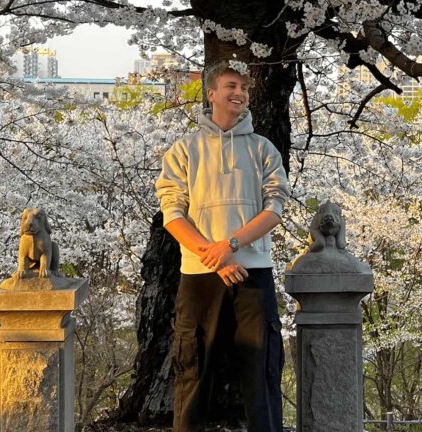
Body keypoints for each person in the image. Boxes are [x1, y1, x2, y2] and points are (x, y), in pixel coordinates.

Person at [155, 60, 289, 432]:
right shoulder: (184, 150)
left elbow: (274, 208)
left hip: (254, 273)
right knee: (193, 372)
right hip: (199, 276)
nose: (239, 93)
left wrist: (230, 245)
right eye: (231, 86)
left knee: (262, 375)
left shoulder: (263, 149)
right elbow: (173, 214)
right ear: (211, 93)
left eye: (244, 88)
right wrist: (214, 257)